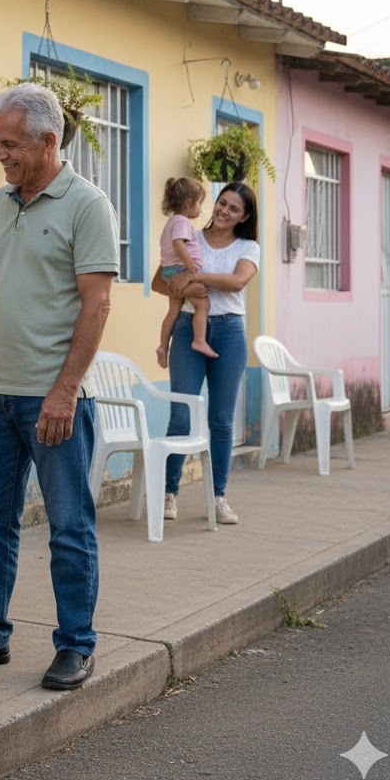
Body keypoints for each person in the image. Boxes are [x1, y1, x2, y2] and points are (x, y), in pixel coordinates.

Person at [0, 83, 119, 690]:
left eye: (10, 145)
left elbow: (98, 303)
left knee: (68, 527)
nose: (0, 156)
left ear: (49, 139)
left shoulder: (87, 205)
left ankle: (76, 645)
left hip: (50, 399)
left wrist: (65, 391)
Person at [151, 182, 260, 526]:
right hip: (187, 330)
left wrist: (191, 277)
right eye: (222, 203)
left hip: (229, 333)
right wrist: (182, 279)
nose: (224, 211)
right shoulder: (188, 234)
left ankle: (219, 497)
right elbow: (158, 281)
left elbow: (237, 282)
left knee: (221, 421)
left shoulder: (248, 246)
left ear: (244, 217)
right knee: (181, 415)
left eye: (234, 209)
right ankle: (170, 492)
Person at [156, 176, 217, 369]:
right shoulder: (182, 222)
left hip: (170, 271)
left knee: (173, 311)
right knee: (203, 304)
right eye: (199, 203)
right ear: (188, 203)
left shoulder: (173, 221)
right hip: (179, 269)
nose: (201, 209)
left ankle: (163, 346)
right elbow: (178, 243)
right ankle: (199, 339)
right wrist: (189, 264)